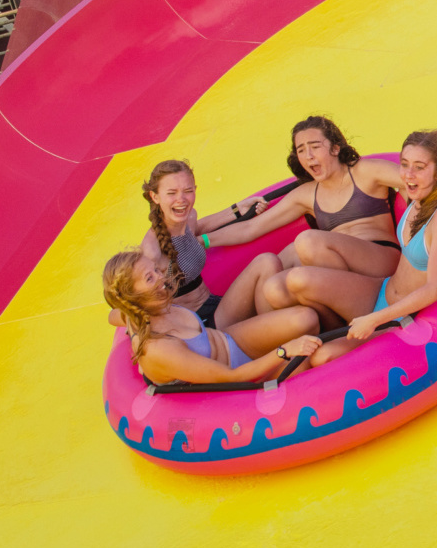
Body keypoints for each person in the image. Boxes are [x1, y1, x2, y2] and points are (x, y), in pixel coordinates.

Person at [271, 117, 437, 365]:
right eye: (404, 164)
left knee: (322, 357)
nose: (408, 174)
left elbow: (434, 290)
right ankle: (320, 331)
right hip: (382, 289)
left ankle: (333, 335)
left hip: (397, 315)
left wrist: (375, 319)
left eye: (419, 167)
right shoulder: (418, 200)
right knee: (297, 280)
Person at [203, 116, 403, 326]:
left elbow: (414, 180)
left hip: (379, 259)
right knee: (273, 288)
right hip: (339, 274)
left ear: (335, 148)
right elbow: (251, 228)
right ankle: (319, 334)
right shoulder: (306, 194)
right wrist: (204, 240)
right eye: (300, 150)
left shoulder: (365, 171)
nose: (308, 156)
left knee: (307, 242)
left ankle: (359, 312)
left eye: (315, 146)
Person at [101, 250, 322, 387]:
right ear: (133, 296)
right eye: (150, 278)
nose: (161, 278)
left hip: (230, 340)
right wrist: (283, 351)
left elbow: (114, 315)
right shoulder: (158, 348)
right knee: (314, 358)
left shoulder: (138, 310)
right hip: (238, 375)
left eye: (156, 271)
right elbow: (231, 377)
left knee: (306, 319)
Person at [136, 159, 257, 326]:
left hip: (214, 304)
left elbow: (200, 226)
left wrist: (237, 209)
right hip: (200, 324)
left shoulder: (189, 218)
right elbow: (137, 302)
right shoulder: (152, 251)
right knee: (264, 263)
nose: (181, 199)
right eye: (171, 193)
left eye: (188, 191)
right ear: (155, 196)